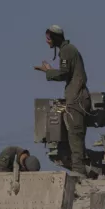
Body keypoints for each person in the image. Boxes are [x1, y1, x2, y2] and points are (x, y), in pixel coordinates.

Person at [35, 25, 90, 176]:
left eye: (48, 38)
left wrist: (48, 71)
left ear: (55, 38)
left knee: (75, 135)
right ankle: (80, 169)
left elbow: (64, 73)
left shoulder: (66, 50)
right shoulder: (68, 49)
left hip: (77, 98)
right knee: (74, 136)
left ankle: (79, 172)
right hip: (77, 97)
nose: (47, 42)